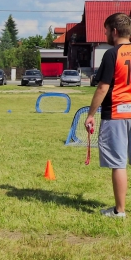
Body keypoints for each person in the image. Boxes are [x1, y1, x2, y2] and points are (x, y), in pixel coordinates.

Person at [85, 13, 131, 218]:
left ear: (114, 31)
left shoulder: (112, 54)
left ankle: (119, 211)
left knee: (118, 163)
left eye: (105, 30)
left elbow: (103, 87)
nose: (104, 34)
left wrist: (90, 114)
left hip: (117, 115)